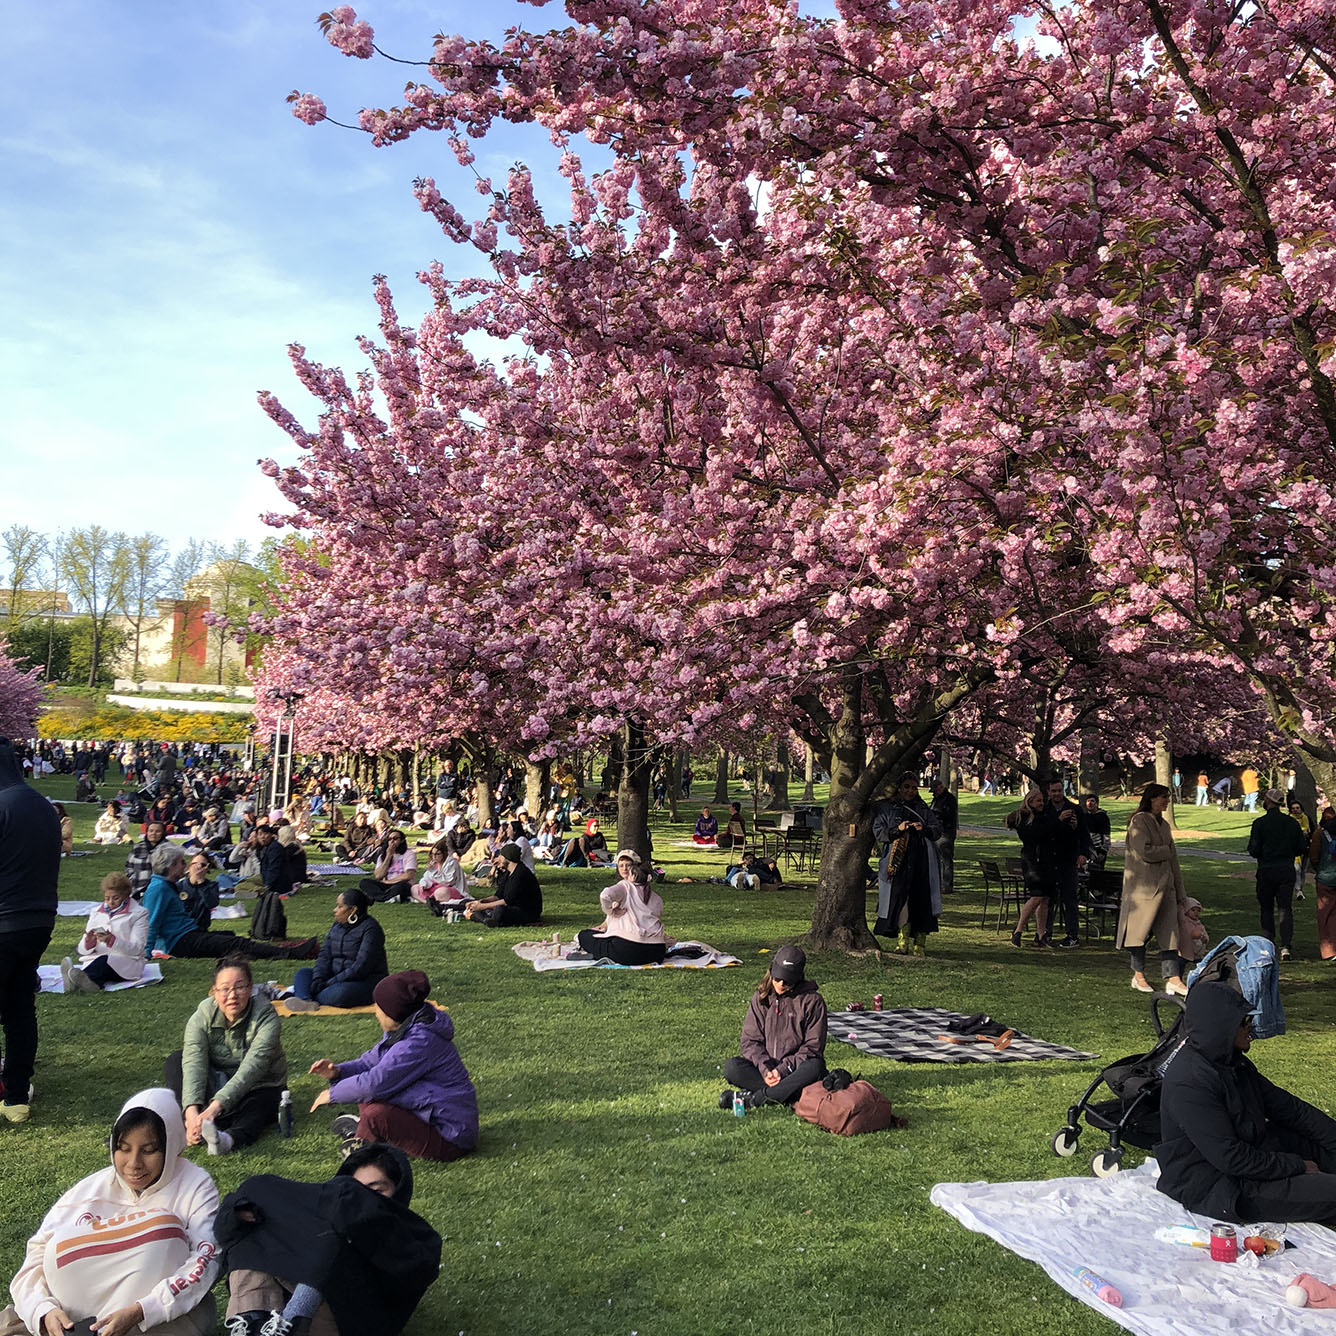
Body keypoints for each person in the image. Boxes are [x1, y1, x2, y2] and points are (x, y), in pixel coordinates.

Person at [7, 1088, 219, 1336]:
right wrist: (44, 1311)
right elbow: (36, 1259)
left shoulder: (195, 1186)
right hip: (76, 1319)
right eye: (123, 1148)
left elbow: (206, 1260)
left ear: (173, 1146)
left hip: (163, 1320)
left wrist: (142, 1310)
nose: (133, 1164)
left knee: (165, 1232)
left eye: (149, 1150)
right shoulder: (91, 1190)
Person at [1155, 981, 1336, 1225]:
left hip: (1256, 1153)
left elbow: (1290, 1109)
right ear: (1222, 1026)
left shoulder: (1232, 1062)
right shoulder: (1190, 1081)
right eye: (1244, 1022)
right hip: (1221, 1184)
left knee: (1322, 1147)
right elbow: (1230, 1158)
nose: (1250, 1028)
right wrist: (1296, 1165)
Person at [214, 1142, 441, 1336]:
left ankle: (292, 1322)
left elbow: (410, 1274)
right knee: (255, 1224)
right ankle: (253, 1323)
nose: (361, 1197)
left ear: (398, 1190)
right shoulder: (316, 1220)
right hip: (281, 1305)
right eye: (354, 1189)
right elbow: (226, 1232)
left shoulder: (413, 1238)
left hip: (350, 1319)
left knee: (337, 1239)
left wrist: (361, 1220)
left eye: (376, 1191)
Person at [309, 970, 479, 1162]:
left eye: (379, 1008)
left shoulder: (418, 1042)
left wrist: (333, 1094)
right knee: (364, 1095)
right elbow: (369, 1062)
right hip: (424, 1115)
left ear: (393, 1012)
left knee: (375, 1114)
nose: (375, 1013)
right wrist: (338, 1072)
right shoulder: (404, 1028)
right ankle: (366, 1137)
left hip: (450, 1137)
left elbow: (375, 1083)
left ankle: (359, 1152)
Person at [165, 956, 287, 1157]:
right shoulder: (203, 1015)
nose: (232, 995)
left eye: (240, 987)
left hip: (259, 1085)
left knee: (261, 1106)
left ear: (250, 989)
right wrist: (191, 1113)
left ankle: (227, 1140)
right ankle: (192, 1123)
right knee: (176, 1060)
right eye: (224, 989)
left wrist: (214, 1108)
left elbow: (253, 1068)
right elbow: (194, 1060)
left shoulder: (266, 1016)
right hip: (218, 1079)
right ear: (214, 991)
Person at [0, 737, 59, 1124]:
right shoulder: (42, 805)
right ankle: (16, 1096)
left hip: (4, 922)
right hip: (39, 921)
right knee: (20, 1009)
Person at [143, 844, 315, 962]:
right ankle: (289, 953)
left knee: (230, 938)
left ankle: (254, 954)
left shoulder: (165, 885)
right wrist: (146, 955)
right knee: (237, 943)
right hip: (180, 942)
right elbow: (151, 922)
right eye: (182, 862)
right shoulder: (159, 888)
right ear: (171, 866)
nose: (185, 866)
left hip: (187, 935)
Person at [719, 945, 827, 1110]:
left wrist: (783, 1070)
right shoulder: (761, 998)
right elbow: (750, 1041)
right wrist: (765, 1069)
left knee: (815, 1067)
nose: (781, 984)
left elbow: (813, 1047)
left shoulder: (813, 1001)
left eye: (787, 981)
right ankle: (786, 1094)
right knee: (732, 1067)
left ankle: (755, 1099)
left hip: (795, 1070)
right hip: (766, 1071)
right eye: (777, 978)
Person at [1114, 783, 1189, 995]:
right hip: (1143, 889)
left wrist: (1180, 892)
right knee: (1139, 933)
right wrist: (1165, 850)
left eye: (1168, 797)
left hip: (1166, 888)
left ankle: (1173, 978)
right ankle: (1138, 975)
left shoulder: (1164, 825)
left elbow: (1174, 862)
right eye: (1163, 797)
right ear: (1152, 798)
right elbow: (1144, 852)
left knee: (1170, 935)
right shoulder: (1139, 821)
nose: (1166, 801)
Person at [871, 773, 942, 955]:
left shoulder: (922, 808)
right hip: (898, 862)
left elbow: (937, 830)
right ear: (899, 788)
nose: (910, 791)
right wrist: (898, 829)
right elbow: (879, 832)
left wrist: (923, 829)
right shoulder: (887, 808)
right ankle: (902, 943)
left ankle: (920, 944)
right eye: (907, 787)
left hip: (922, 862)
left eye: (913, 787)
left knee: (922, 901)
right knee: (901, 901)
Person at [286, 889, 389, 1012]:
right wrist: (318, 978)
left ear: (353, 910)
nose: (335, 910)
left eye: (340, 906)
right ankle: (306, 1001)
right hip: (334, 976)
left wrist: (329, 984)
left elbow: (361, 967)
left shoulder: (371, 929)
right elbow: (325, 955)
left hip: (363, 982)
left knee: (341, 993)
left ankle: (307, 996)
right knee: (303, 973)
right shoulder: (337, 926)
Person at [575, 850, 671, 965]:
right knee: (596, 935)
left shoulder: (625, 887)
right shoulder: (656, 898)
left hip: (629, 950)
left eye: (628, 865)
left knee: (584, 936)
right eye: (621, 865)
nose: (625, 869)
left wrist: (610, 911)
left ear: (635, 868)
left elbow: (605, 895)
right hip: (657, 952)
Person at [61, 872, 149, 993]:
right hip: (96, 959)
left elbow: (138, 948)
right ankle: (82, 982)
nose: (111, 902)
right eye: (107, 898)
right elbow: (82, 950)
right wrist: (88, 943)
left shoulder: (139, 913)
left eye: (116, 898)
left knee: (104, 962)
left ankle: (78, 981)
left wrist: (112, 941)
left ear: (126, 896)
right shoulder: (96, 912)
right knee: (100, 963)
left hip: (127, 961)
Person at [1030, 775, 1091, 950]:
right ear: (1048, 792)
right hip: (1049, 860)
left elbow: (1083, 834)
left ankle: (1072, 935)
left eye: (1059, 791)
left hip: (1067, 859)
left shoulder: (1074, 809)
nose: (1057, 794)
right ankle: (1044, 933)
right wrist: (1057, 821)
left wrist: (1083, 853)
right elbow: (1042, 833)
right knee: (1047, 899)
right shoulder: (1044, 810)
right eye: (1053, 791)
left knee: (1069, 898)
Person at [1248, 788, 1306, 960]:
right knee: (1285, 908)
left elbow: (1254, 849)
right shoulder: (1292, 824)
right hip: (1286, 869)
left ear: (1269, 801)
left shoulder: (1260, 823)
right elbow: (1301, 848)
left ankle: (1267, 944)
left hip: (1266, 869)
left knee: (1266, 908)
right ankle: (1286, 946)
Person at [1005, 787, 1051, 946]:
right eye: (1038, 801)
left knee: (1044, 898)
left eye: (1042, 801)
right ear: (1030, 801)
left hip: (1045, 860)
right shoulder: (1024, 818)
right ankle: (1018, 930)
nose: (1041, 804)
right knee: (1037, 895)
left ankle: (1040, 934)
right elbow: (1035, 834)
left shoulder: (1043, 815)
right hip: (1032, 861)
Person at [464, 844, 542, 926]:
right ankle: (487, 920)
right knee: (487, 909)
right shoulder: (508, 873)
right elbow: (498, 896)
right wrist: (481, 902)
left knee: (499, 910)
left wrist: (482, 906)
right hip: (512, 907)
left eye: (501, 855)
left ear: (507, 858)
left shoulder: (521, 874)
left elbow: (507, 901)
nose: (499, 858)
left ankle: (484, 918)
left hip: (526, 911)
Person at [1308, 806, 1336, 963]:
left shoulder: (1320, 833)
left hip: (1325, 877)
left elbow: (1314, 855)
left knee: (1325, 913)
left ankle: (1329, 950)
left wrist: (1319, 868)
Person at [411, 840, 469, 914]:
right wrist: (424, 884)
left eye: (437, 854)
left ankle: (433, 901)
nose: (434, 857)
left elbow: (448, 881)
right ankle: (428, 902)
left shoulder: (451, 863)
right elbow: (426, 877)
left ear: (444, 854)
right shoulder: (434, 863)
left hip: (449, 889)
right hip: (433, 888)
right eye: (432, 854)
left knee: (441, 892)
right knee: (414, 888)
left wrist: (433, 871)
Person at [360, 830, 417, 904]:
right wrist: (388, 856)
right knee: (364, 882)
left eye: (395, 838)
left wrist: (389, 881)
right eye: (390, 839)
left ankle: (379, 897)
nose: (392, 841)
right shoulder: (383, 856)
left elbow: (408, 875)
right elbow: (378, 876)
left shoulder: (409, 854)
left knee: (402, 886)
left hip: (401, 884)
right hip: (386, 885)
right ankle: (387, 897)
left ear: (402, 840)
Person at [178, 853, 221, 932]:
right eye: (194, 863)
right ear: (189, 866)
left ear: (207, 868)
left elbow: (212, 904)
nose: (197, 867)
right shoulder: (179, 886)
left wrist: (201, 884)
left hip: (201, 929)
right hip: (181, 929)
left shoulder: (211, 886)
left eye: (202, 865)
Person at [929, 779, 959, 894]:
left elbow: (948, 815)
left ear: (940, 788)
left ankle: (947, 885)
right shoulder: (936, 799)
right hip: (936, 832)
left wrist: (936, 815)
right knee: (936, 859)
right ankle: (938, 883)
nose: (934, 794)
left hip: (946, 832)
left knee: (946, 860)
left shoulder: (949, 799)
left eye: (935, 791)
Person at [126, 821, 169, 898]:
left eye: (158, 831)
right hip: (138, 888)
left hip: (161, 889)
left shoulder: (170, 849)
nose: (153, 833)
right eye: (151, 831)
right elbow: (129, 867)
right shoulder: (138, 847)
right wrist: (133, 879)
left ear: (163, 833)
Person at [1082, 792, 1112, 872]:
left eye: (1092, 801)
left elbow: (1106, 835)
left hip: (1098, 850)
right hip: (1087, 849)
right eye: (1088, 801)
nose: (1090, 803)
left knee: (1097, 872)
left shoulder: (1102, 817)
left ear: (1097, 804)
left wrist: (1103, 851)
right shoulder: (1084, 817)